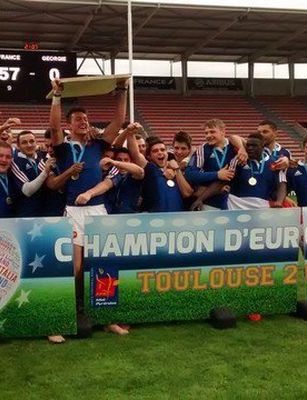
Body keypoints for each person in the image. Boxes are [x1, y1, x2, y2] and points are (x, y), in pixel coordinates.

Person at [49, 77, 129, 335]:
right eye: (78, 120)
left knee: (103, 264)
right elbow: (53, 126)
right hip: (73, 212)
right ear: (69, 124)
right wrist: (57, 96)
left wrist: (122, 90)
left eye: (85, 119)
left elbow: (118, 121)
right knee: (74, 267)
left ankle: (107, 318)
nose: (83, 122)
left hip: (98, 210)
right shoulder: (63, 148)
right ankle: (67, 314)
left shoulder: (98, 144)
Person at [192, 133, 279, 211]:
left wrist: (280, 201)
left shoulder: (275, 162)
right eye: (248, 145)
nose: (250, 148)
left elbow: (281, 184)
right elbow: (221, 181)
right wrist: (201, 199)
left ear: (262, 146)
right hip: (237, 207)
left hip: (262, 207)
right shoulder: (238, 161)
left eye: (254, 146)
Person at [127, 124, 193, 212]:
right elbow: (135, 153)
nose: (160, 152)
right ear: (149, 156)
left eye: (162, 150)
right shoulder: (150, 169)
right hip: (156, 220)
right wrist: (130, 134)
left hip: (178, 219)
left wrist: (176, 170)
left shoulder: (179, 169)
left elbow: (187, 193)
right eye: (155, 151)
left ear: (167, 152)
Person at [184, 119, 246, 210]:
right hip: (209, 203)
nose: (208, 135)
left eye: (212, 132)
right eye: (206, 133)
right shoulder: (202, 150)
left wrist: (242, 148)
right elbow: (189, 175)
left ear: (223, 132)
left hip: (235, 202)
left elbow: (237, 138)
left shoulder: (235, 147)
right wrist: (217, 175)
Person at [11, 131, 49, 217]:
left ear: (36, 143)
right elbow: (27, 191)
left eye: (32, 141)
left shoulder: (42, 157)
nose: (29, 145)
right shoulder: (15, 161)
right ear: (18, 146)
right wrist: (46, 171)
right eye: (24, 143)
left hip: (46, 212)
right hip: (26, 214)